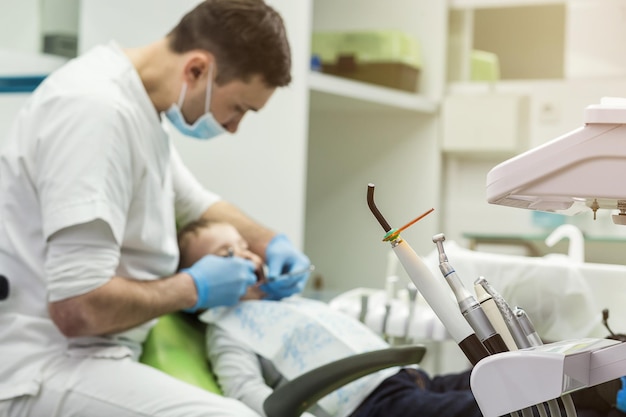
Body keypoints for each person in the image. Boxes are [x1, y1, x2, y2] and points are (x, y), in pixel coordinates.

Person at [0, 1, 310, 416]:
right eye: (237, 108)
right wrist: (194, 287)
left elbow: (196, 203)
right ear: (197, 69)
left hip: (95, 353)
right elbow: (77, 307)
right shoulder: (95, 111)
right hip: (45, 367)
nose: (234, 126)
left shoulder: (138, 108)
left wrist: (273, 242)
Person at [177, 218, 626, 417]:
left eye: (241, 245)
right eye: (224, 254)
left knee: (500, 374)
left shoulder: (286, 302)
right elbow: (245, 389)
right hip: (372, 407)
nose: (243, 256)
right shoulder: (227, 330)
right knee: (498, 405)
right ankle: (592, 400)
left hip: (407, 378)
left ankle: (594, 386)